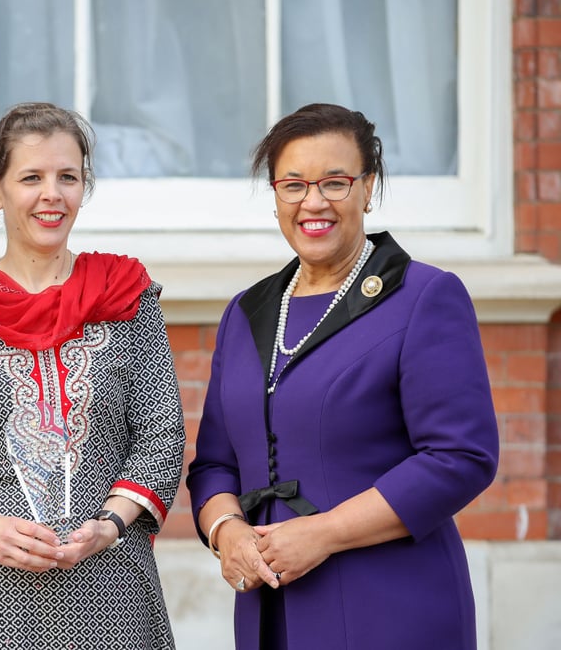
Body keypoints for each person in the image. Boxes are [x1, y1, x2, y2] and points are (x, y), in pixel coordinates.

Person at [186, 103, 499, 650]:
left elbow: (460, 457)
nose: (313, 202)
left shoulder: (424, 297)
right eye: (293, 184)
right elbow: (215, 463)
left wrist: (322, 533)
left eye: (334, 182)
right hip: (269, 615)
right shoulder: (246, 312)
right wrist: (225, 531)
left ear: (367, 187)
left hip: (391, 608)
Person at [0, 102, 186, 649]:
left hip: (111, 595)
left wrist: (109, 525)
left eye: (68, 177)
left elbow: (161, 438)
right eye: (31, 177)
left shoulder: (126, 296)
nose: (52, 194)